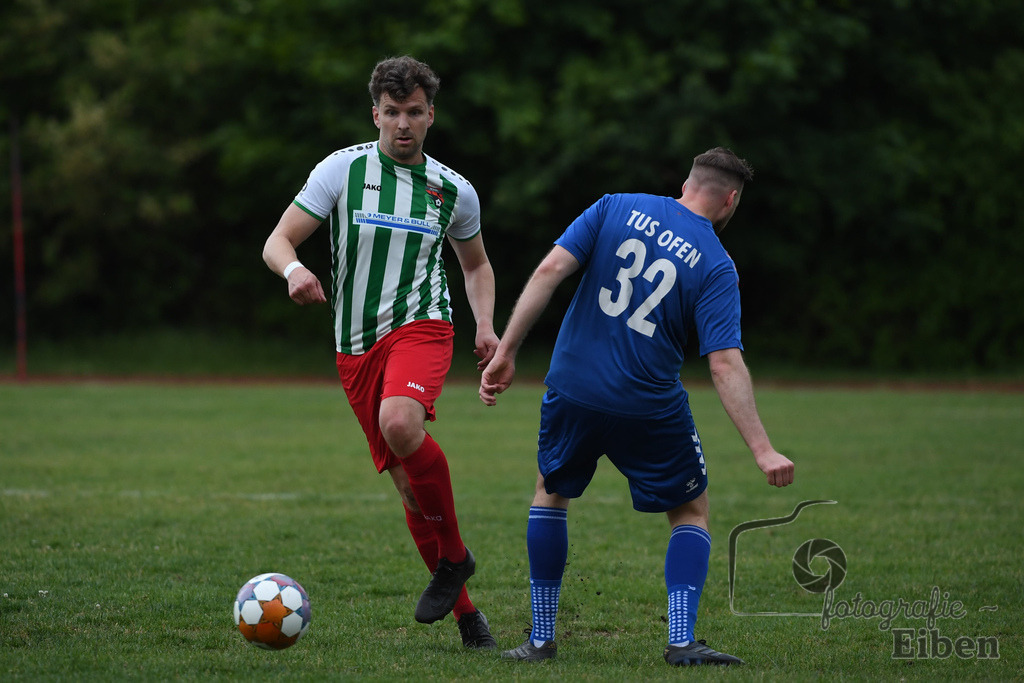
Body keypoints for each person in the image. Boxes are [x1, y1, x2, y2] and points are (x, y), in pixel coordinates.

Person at [479, 147, 795, 665]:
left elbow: (550, 270)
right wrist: (762, 450)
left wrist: (507, 351)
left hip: (571, 389)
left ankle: (539, 638)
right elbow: (724, 364)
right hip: (646, 404)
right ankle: (680, 640)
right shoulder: (716, 264)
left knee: (550, 493)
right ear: (730, 200)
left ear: (688, 182)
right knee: (690, 510)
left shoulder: (614, 205)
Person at [263, 55, 498, 649]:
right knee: (409, 490)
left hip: (423, 326)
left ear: (430, 116)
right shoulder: (341, 171)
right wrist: (293, 270)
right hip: (354, 346)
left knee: (400, 421)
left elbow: (475, 266)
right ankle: (467, 611)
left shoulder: (453, 191)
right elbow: (278, 240)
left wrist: (487, 326)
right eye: (391, 112)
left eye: (413, 112)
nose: (402, 124)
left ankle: (454, 557)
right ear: (375, 113)